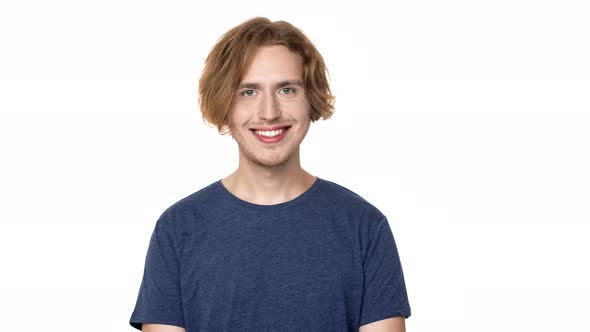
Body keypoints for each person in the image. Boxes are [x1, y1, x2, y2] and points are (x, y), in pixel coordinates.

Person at [129, 17, 411, 332]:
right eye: (248, 92)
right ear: (224, 104)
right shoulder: (178, 229)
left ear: (310, 100)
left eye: (286, 89)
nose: (269, 112)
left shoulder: (363, 226)